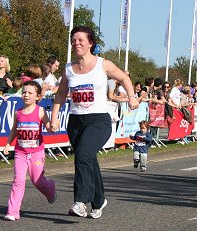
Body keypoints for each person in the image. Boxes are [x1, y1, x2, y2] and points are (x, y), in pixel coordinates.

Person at [50, 26, 139, 219]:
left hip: (98, 120)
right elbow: (61, 94)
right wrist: (54, 117)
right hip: (75, 121)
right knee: (88, 158)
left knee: (82, 155)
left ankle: (80, 201)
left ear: (91, 43)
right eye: (74, 40)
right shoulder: (68, 69)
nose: (77, 43)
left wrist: (132, 97)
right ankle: (99, 201)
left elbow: (123, 77)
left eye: (81, 40)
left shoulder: (103, 64)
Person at [2, 81, 56, 221]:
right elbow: (14, 129)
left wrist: (53, 127)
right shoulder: (18, 112)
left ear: (37, 97)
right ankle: (13, 211)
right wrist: (8, 144)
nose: (26, 95)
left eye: (30, 93)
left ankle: (50, 189)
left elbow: (49, 127)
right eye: (24, 92)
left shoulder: (40, 111)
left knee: (38, 181)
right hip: (20, 152)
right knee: (18, 180)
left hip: (36, 153)